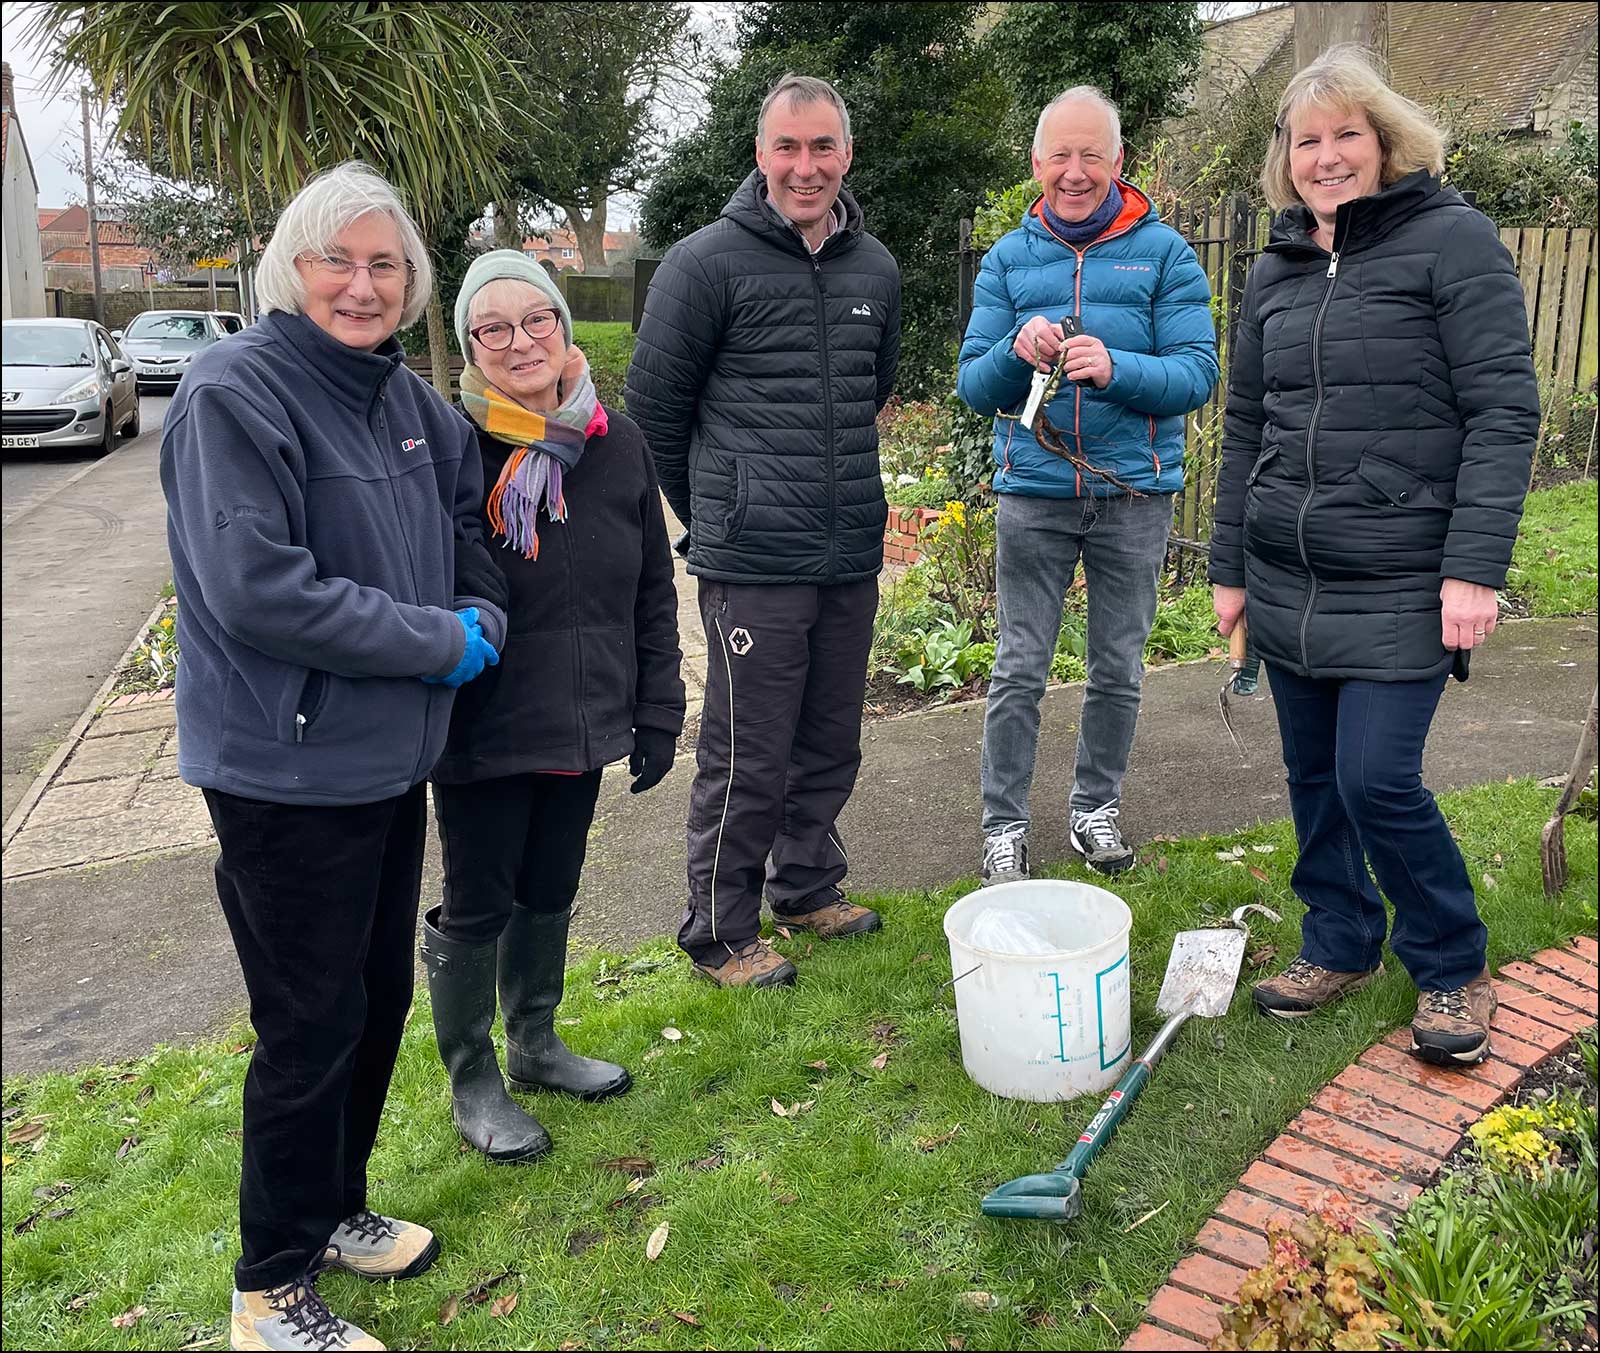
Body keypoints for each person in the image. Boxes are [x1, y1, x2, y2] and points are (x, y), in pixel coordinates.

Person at [161, 163, 506, 1351]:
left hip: (382, 761)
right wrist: (434, 643)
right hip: (282, 770)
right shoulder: (232, 394)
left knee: (374, 998)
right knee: (307, 1024)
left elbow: (471, 533)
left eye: (386, 265)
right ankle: (270, 1286)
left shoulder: (407, 400)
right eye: (338, 260)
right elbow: (261, 592)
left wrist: (485, 621)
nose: (363, 285)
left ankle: (337, 1206)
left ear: (412, 285)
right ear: (289, 269)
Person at [1209, 46, 1539, 1066]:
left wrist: (1474, 570)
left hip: (1405, 569)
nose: (1326, 156)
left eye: (1346, 133)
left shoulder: (1454, 243)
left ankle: (1449, 961)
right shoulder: (1274, 270)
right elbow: (1246, 425)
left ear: (1387, 139)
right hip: (1288, 572)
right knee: (1313, 775)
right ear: (1286, 160)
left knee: (1375, 779)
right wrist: (1229, 569)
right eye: (1306, 141)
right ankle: (1340, 940)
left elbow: (1501, 412)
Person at [626, 73, 901, 989]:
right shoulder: (704, 264)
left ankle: (808, 884)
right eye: (788, 147)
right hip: (754, 559)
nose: (806, 166)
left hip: (849, 549)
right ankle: (719, 930)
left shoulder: (876, 270)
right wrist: (716, 513)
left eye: (823, 147)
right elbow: (655, 409)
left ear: (847, 155)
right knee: (747, 751)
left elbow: (873, 390)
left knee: (830, 737)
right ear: (760, 155)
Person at [422, 251, 685, 1161]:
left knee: (552, 886)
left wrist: (659, 705)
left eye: (537, 319)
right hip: (484, 729)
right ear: (469, 346)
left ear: (565, 327)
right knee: (479, 900)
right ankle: (473, 1075)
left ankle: (534, 1040)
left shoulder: (617, 442)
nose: (520, 341)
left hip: (584, 721)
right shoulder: (453, 448)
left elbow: (653, 582)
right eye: (492, 329)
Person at [958, 87, 1219, 883]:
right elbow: (977, 384)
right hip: (1032, 491)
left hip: (1133, 495)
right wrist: (1013, 346)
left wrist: (1117, 367)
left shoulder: (1165, 254)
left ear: (1117, 161)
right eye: (1059, 157)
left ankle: (1094, 807)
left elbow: (1199, 372)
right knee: (1018, 666)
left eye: (1091, 156)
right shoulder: (1007, 259)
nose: (1075, 173)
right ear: (1037, 163)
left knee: (1117, 666)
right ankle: (1004, 824)